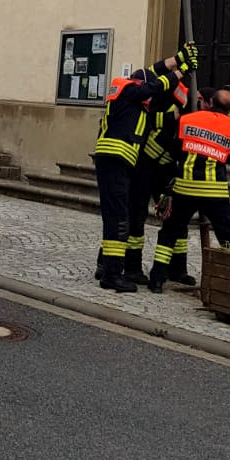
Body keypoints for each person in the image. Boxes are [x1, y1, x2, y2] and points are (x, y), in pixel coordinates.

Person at [93, 45, 197, 294]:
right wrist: (182, 70)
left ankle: (112, 269)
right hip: (116, 161)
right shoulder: (129, 90)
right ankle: (110, 273)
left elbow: (157, 116)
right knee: (119, 219)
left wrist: (177, 59)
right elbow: (153, 85)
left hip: (121, 164)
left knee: (122, 217)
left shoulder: (137, 107)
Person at [148, 87, 230, 292]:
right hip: (214, 192)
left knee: (169, 232)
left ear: (210, 102)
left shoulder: (189, 119)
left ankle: (157, 279)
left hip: (185, 188)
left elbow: (175, 149)